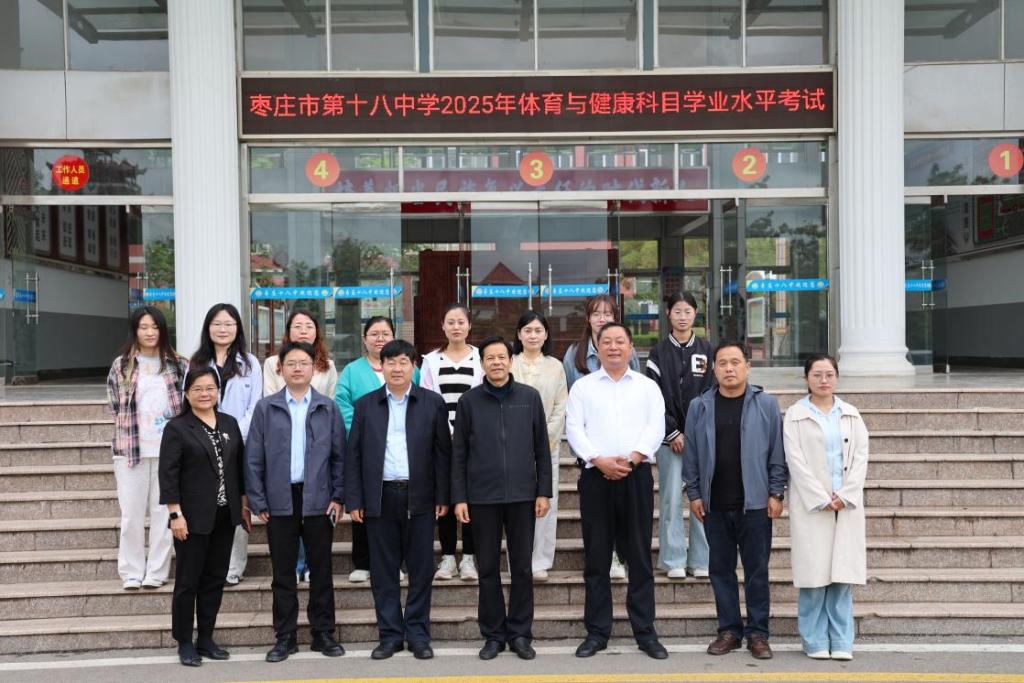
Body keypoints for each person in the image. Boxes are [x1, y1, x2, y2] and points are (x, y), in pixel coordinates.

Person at [565, 323, 668, 660]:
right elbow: (574, 429)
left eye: (619, 341)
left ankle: (645, 633)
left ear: (630, 346)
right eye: (606, 341)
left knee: (639, 556)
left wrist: (634, 457)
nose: (613, 347)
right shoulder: (582, 388)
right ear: (597, 347)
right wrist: (598, 459)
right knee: (596, 558)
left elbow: (656, 426)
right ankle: (597, 633)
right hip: (596, 477)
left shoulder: (647, 387)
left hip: (636, 476)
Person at [345, 340, 451, 661]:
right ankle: (390, 636)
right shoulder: (366, 405)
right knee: (383, 571)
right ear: (382, 367)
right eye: (390, 362)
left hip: (421, 496)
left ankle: (417, 635)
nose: (397, 368)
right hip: (380, 497)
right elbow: (354, 455)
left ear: (413, 366)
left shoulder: (432, 403)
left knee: (421, 570)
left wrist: (443, 495)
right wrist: (355, 500)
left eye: (403, 362)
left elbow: (442, 453)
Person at [683, 341, 788, 660]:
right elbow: (691, 454)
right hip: (715, 504)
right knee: (720, 571)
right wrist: (694, 494)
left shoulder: (765, 404)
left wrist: (776, 492)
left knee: (757, 571)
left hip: (755, 505)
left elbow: (777, 452)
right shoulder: (700, 406)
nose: (729, 368)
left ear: (747, 366)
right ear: (713, 369)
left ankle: (758, 633)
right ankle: (729, 630)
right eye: (722, 363)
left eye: (735, 362)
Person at [245, 341, 346, 663]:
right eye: (291, 363)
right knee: (283, 573)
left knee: (321, 570)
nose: (298, 368)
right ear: (281, 369)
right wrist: (258, 500)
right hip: (280, 499)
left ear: (314, 368)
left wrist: (338, 496)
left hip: (319, 499)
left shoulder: (327, 408)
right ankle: (285, 636)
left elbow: (339, 457)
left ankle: (323, 633)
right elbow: (253, 458)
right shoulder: (266, 408)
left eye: (304, 363)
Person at [453, 336, 552, 661]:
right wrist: (460, 497)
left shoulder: (529, 397)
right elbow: (459, 453)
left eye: (501, 357)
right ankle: (493, 635)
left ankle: (520, 633)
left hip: (523, 496)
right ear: (482, 363)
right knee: (488, 569)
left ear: (511, 360)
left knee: (522, 567)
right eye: (490, 358)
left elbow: (542, 448)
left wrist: (543, 491)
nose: (496, 362)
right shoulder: (469, 401)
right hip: (482, 497)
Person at [158, 367, 246, 667]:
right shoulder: (177, 428)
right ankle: (184, 641)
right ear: (186, 393)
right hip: (191, 518)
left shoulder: (229, 423)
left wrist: (243, 505)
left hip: (224, 515)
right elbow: (168, 474)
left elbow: (238, 468)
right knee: (188, 581)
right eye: (197, 389)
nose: (204, 394)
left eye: (210, 388)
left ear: (218, 391)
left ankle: (206, 638)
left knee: (214, 579)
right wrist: (175, 514)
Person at [784, 353, 868, 662]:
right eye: (817, 374)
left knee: (841, 576)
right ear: (806, 378)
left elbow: (860, 458)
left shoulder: (851, 414)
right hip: (813, 505)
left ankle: (843, 639)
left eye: (829, 374)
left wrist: (845, 495)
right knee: (813, 578)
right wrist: (820, 497)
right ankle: (815, 639)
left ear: (837, 377)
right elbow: (795, 461)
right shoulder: (795, 416)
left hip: (845, 505)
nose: (823, 380)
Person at [106, 305, 188, 591]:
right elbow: (114, 405)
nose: (150, 332)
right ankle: (131, 571)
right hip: (131, 450)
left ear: (163, 330)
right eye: (143, 327)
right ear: (135, 331)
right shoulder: (121, 365)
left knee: (163, 514)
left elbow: (186, 405)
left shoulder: (178, 364)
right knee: (131, 514)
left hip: (169, 452)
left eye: (155, 327)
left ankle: (156, 571)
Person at [335, 316, 419, 584]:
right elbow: (342, 404)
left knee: (396, 515)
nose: (380, 338)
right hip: (364, 445)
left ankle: (395, 563)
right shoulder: (352, 370)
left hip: (400, 450)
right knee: (365, 507)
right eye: (374, 333)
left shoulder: (410, 368)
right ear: (364, 339)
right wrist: (365, 431)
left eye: (385, 333)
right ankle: (363, 562)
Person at [562, 294, 639, 580]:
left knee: (621, 509)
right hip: (590, 450)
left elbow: (636, 392)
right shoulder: (574, 354)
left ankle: (617, 555)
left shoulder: (629, 352)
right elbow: (571, 401)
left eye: (608, 313)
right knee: (596, 511)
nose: (602, 318)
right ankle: (598, 556)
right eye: (596, 313)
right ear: (588, 319)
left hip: (623, 447)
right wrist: (589, 452)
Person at [264, 309, 338, 584]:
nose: (303, 330)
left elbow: (329, 401)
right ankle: (296, 565)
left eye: (309, 325)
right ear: (288, 331)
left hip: (316, 444)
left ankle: (308, 566)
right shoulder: (273, 363)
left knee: (314, 518)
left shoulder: (327, 365)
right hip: (282, 436)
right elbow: (270, 396)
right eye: (298, 325)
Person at [190, 303, 262, 586]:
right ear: (208, 328)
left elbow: (255, 405)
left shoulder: (250, 363)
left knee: (237, 502)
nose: (223, 329)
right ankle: (208, 564)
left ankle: (234, 566)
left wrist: (230, 435)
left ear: (238, 328)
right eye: (217, 324)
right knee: (207, 501)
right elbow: (191, 400)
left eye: (229, 324)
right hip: (202, 443)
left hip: (240, 444)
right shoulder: (197, 362)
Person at [645, 292, 714, 580]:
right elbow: (653, 396)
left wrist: (695, 433)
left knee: (704, 498)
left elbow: (712, 393)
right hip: (668, 439)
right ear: (668, 314)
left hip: (701, 438)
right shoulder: (658, 353)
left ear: (695, 314)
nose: (682, 317)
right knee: (671, 498)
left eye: (687, 311)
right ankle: (673, 557)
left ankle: (701, 559)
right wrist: (672, 431)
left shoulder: (707, 350)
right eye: (677, 311)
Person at [421, 303, 483, 581]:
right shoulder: (431, 361)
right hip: (441, 439)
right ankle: (447, 557)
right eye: (451, 322)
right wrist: (447, 430)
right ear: (443, 326)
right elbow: (427, 398)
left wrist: (464, 431)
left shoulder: (480, 358)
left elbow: (482, 398)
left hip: (474, 439)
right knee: (444, 496)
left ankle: (469, 557)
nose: (456, 327)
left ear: (469, 326)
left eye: (461, 322)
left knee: (471, 496)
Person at [510, 311, 567, 582]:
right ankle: (519, 559)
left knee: (546, 503)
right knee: (516, 505)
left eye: (538, 330)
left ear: (546, 335)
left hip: (547, 446)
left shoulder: (556, 366)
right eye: (528, 330)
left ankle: (541, 560)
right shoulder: (509, 363)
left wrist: (543, 441)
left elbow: (560, 407)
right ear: (519, 334)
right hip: (511, 447)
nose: (533, 335)